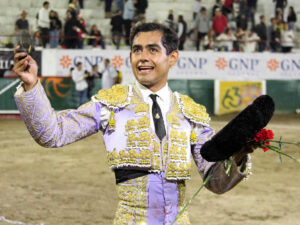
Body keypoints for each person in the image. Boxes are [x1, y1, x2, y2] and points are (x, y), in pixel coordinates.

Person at [13, 22, 254, 224]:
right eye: (137, 50)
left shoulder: (191, 114)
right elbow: (53, 133)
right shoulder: (111, 104)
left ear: (172, 57)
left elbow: (216, 182)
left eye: (152, 50)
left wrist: (240, 154)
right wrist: (32, 85)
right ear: (129, 57)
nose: (143, 58)